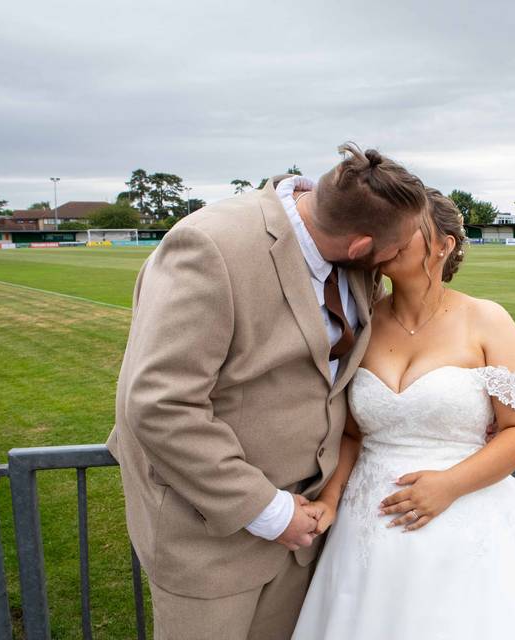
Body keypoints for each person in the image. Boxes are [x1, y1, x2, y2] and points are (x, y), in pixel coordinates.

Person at [106, 143, 427, 640]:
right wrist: (269, 512)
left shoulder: (349, 256)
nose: (399, 259)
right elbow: (160, 403)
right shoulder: (209, 245)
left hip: (304, 537)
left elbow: (334, 375)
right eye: (398, 250)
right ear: (363, 246)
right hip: (209, 537)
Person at [292, 189, 515, 639]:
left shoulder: (486, 320)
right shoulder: (361, 325)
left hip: (467, 520)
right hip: (366, 533)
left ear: (444, 245)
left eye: (408, 228)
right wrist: (329, 500)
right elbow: (351, 435)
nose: (393, 236)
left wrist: (448, 486)